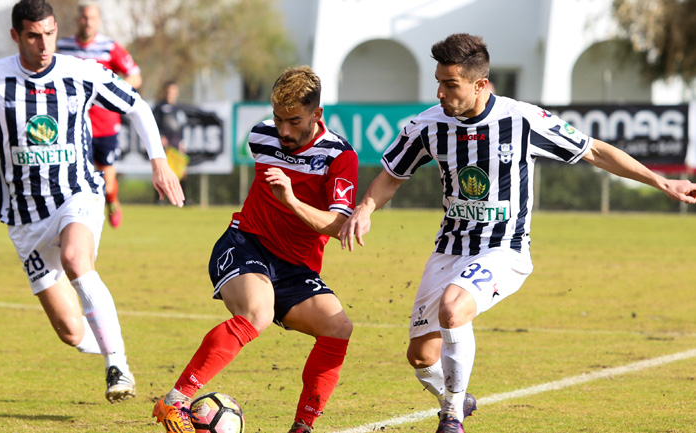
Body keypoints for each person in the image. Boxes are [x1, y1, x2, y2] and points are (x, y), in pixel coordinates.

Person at [339, 33, 696, 433]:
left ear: (480, 84)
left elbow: (594, 151)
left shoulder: (522, 119)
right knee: (421, 357)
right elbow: (392, 176)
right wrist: (365, 208)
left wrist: (662, 182)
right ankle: (458, 398)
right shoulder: (427, 126)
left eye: (450, 84)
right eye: (438, 82)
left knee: (453, 310)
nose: (440, 93)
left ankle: (451, 417)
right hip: (449, 249)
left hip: (503, 250)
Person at [0, 0, 184, 404]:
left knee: (76, 259)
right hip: (24, 217)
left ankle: (118, 365)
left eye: (50, 34)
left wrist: (158, 163)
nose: (44, 45)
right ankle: (104, 337)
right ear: (15, 35)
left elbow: (137, 106)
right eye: (33, 36)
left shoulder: (81, 71)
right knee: (71, 332)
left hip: (77, 193)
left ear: (57, 30)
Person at [152, 66, 359, 433]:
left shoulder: (339, 156)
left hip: (295, 267)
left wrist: (292, 200)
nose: (283, 131)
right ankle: (175, 400)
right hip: (245, 244)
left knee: (338, 327)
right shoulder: (261, 136)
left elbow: (338, 224)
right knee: (257, 313)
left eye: (294, 121)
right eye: (278, 119)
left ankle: (303, 426)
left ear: (317, 114)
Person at [56, 0, 143, 228]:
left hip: (105, 125)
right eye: (84, 18)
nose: (87, 22)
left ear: (99, 21)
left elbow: (135, 76)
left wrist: (112, 90)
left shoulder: (110, 47)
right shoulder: (62, 47)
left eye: (92, 18)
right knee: (76, 178)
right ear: (77, 20)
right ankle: (78, 220)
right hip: (73, 125)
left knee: (107, 180)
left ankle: (112, 200)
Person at [152, 81, 190, 199]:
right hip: (164, 145)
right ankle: (159, 198)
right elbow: (152, 124)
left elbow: (182, 127)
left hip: (176, 144)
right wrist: (160, 136)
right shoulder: (159, 107)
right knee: (162, 170)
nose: (170, 94)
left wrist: (182, 142)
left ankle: (183, 198)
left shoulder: (179, 109)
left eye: (173, 91)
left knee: (181, 171)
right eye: (169, 91)